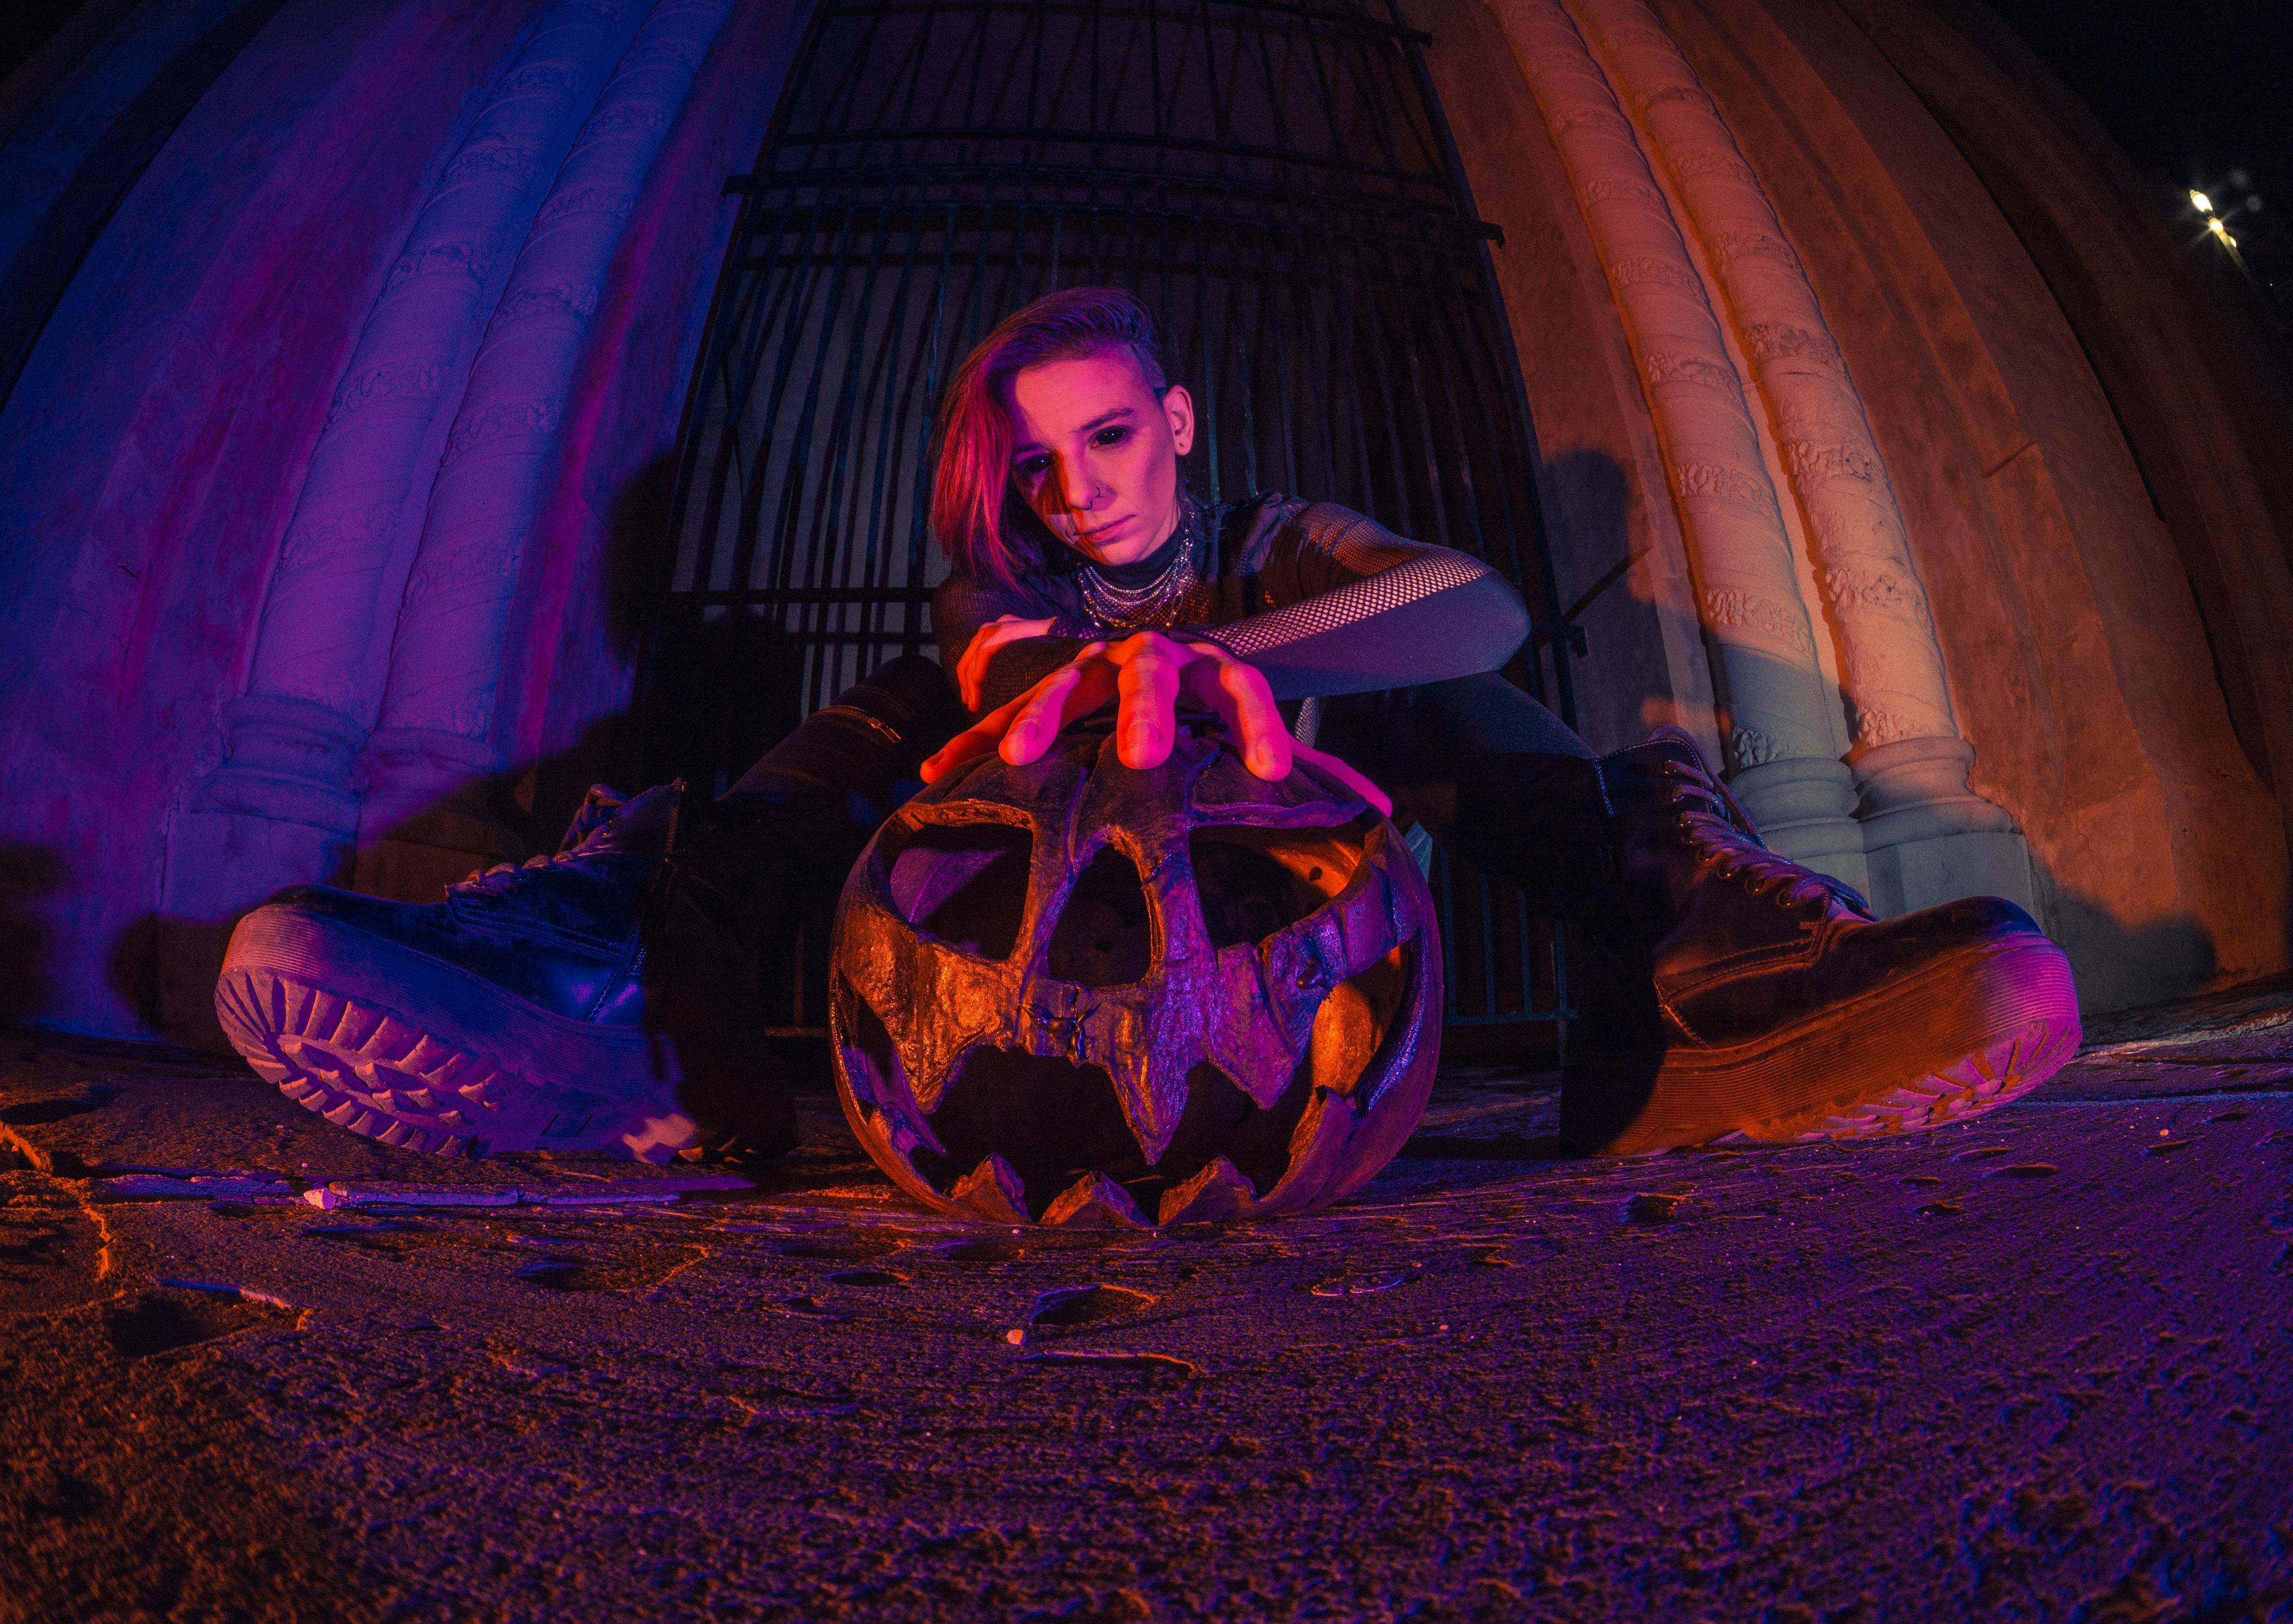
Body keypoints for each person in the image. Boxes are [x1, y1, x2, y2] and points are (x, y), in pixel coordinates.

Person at [214, 288, 2081, 1165]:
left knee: (1490, 698)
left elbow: (1479, 600)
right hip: (1071, 952)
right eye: (1040, 459)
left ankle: (1689, 975)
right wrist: (1080, 681)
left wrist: (1260, 665)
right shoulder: (999, 598)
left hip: (1293, 904)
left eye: (1109, 435)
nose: (1081, 485)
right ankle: (623, 969)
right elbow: (1004, 697)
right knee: (879, 715)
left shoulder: (1277, 545)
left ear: (1176, 422)